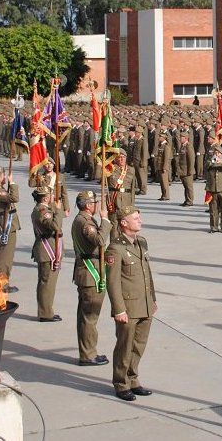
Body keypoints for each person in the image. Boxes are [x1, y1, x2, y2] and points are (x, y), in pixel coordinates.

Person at [106, 205, 157, 401]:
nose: (140, 221)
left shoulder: (141, 243)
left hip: (144, 304)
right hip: (128, 307)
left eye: (139, 218)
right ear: (124, 223)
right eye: (135, 218)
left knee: (138, 346)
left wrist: (152, 298)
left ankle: (133, 379)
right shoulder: (116, 248)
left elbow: (147, 273)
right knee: (124, 346)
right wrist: (119, 309)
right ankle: (121, 383)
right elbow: (113, 282)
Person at [71, 190, 112, 366]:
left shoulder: (83, 219)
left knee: (85, 316)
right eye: (95, 202)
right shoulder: (85, 222)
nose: (97, 205)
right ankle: (88, 355)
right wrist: (106, 221)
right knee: (90, 317)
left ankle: (87, 351)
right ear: (88, 205)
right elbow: (100, 240)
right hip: (90, 273)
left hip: (86, 269)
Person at [31, 186, 62, 322]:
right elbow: (55, 226)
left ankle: (46, 310)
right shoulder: (43, 211)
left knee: (47, 283)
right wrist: (58, 210)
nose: (51, 196)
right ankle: (45, 313)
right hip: (46, 249)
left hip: (46, 248)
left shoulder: (42, 209)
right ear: (45, 197)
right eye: (49, 194)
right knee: (47, 283)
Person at [0, 166, 20, 292]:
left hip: (7, 222)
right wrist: (12, 183)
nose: (5, 177)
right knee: (4, 257)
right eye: (3, 175)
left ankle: (4, 282)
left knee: (7, 255)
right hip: (5, 224)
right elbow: (14, 198)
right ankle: (1, 284)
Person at [108, 150, 137, 238]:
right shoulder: (110, 168)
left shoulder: (131, 170)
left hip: (126, 200)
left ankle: (124, 246)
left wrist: (132, 205)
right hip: (113, 200)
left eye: (123, 157)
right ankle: (114, 247)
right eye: (119, 157)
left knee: (125, 225)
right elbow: (98, 176)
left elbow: (132, 189)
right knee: (114, 225)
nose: (121, 159)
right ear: (115, 159)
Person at [206, 145, 222, 232]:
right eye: (215, 152)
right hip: (213, 188)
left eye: (218, 153)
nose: (216, 154)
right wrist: (215, 160)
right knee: (213, 209)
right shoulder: (210, 161)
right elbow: (209, 165)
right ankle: (214, 227)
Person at [176, 132, 195, 206]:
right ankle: (186, 199)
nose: (180, 138)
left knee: (189, 187)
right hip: (183, 170)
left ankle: (190, 201)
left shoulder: (188, 146)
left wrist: (190, 170)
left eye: (181, 137)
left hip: (187, 170)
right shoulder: (183, 146)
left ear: (186, 138)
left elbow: (191, 159)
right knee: (185, 186)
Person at [155, 132, 172, 201]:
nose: (159, 138)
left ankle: (166, 195)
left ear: (163, 138)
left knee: (164, 182)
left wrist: (165, 167)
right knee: (161, 182)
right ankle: (163, 195)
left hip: (163, 167)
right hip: (160, 166)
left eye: (160, 137)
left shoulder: (166, 146)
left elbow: (166, 158)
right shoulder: (160, 145)